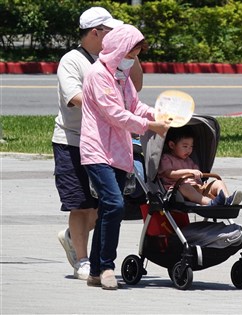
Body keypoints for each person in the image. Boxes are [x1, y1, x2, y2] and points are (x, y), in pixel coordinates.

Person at [53, 7, 144, 281]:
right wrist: (110, 109)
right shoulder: (72, 61)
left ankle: (76, 240)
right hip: (74, 140)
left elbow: (136, 88)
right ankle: (83, 260)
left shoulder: (116, 61)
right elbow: (76, 97)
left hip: (110, 143)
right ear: (96, 32)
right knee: (81, 204)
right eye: (111, 31)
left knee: (103, 207)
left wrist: (131, 52)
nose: (115, 35)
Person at [80, 24, 170, 290]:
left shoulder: (123, 75)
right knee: (116, 205)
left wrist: (157, 114)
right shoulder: (98, 74)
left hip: (119, 152)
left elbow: (134, 106)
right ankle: (108, 267)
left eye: (138, 53)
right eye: (132, 52)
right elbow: (114, 114)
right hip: (96, 150)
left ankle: (96, 271)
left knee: (108, 209)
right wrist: (149, 126)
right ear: (119, 48)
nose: (134, 57)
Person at [158, 126, 242, 206]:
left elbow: (198, 175)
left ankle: (227, 200)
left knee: (218, 182)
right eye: (185, 146)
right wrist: (189, 172)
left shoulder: (189, 160)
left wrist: (197, 174)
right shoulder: (166, 158)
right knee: (186, 188)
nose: (189, 150)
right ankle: (210, 202)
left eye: (191, 146)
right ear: (172, 145)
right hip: (179, 190)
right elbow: (169, 173)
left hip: (198, 188)